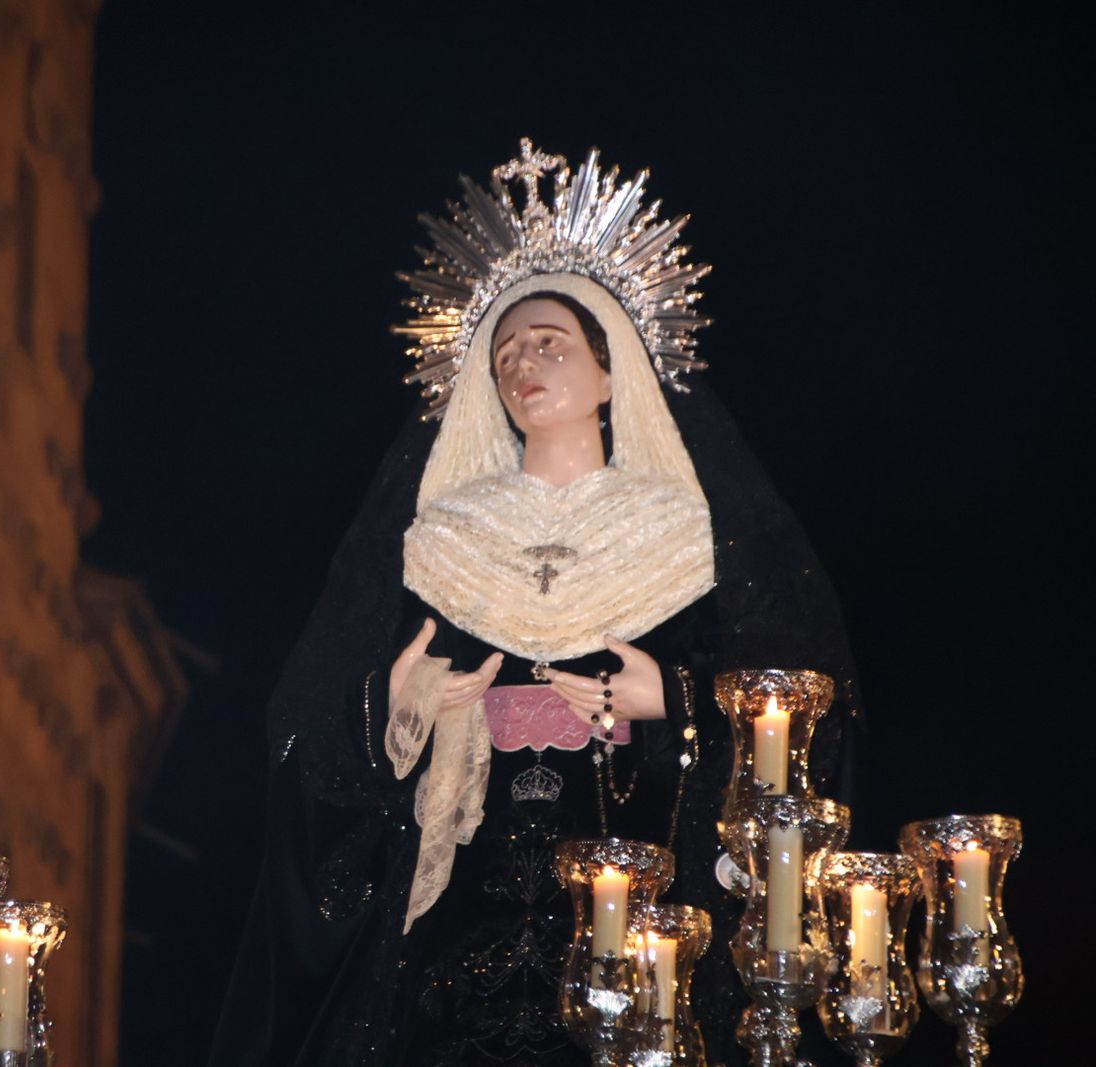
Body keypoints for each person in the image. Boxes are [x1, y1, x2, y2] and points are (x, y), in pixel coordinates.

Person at [210, 141, 862, 1066]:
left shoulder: (682, 534)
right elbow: (313, 740)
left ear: (611, 370)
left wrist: (675, 700)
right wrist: (395, 705)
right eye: (506, 352)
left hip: (641, 920)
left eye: (551, 343)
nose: (524, 363)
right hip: (457, 945)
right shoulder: (443, 540)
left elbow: (800, 723)